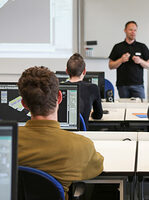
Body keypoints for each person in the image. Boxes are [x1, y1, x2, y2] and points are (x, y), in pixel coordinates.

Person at [17, 66, 104, 199]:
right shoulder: (81, 145)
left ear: (24, 104)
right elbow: (97, 167)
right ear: (59, 97)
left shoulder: (6, 142)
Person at [108, 21, 149, 99]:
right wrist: (121, 60)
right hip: (122, 85)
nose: (133, 32)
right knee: (124, 108)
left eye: (135, 30)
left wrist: (140, 61)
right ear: (125, 30)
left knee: (140, 108)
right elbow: (110, 66)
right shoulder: (118, 47)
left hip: (138, 85)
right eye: (130, 30)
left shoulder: (142, 46)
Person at [66, 53, 103, 127]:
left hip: (62, 133)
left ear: (67, 71)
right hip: (82, 133)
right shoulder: (93, 88)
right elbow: (98, 115)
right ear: (84, 71)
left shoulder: (58, 88)